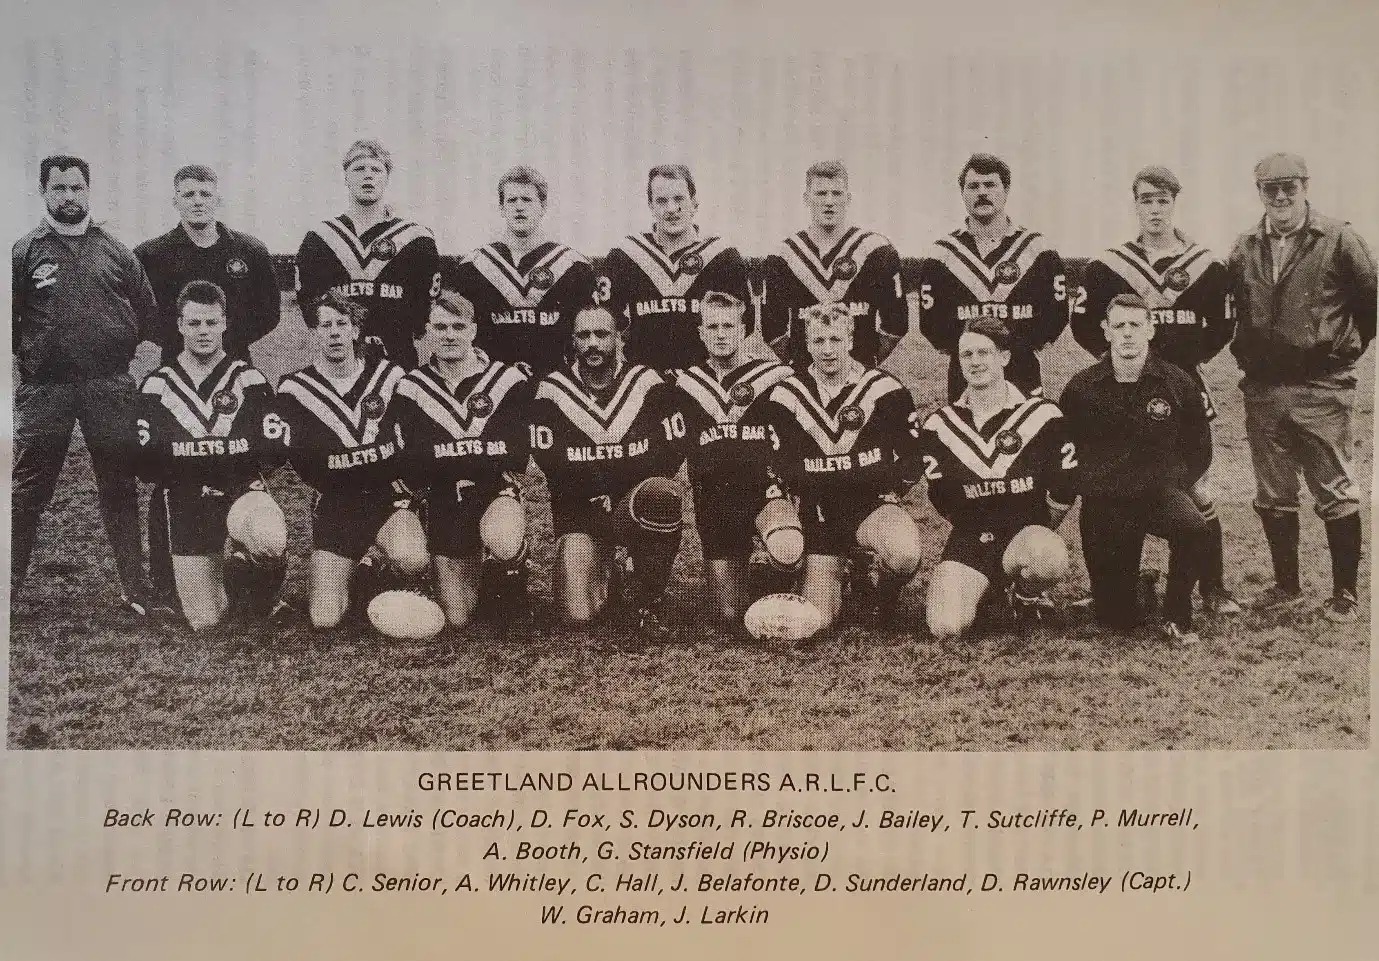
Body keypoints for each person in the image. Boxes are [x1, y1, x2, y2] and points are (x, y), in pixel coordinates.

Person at [1071, 165, 1239, 615]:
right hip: (1123, 389)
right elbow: (1086, 325)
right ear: (1135, 205)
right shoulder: (1107, 266)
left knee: (1196, 489)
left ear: (1174, 204)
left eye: (1163, 200)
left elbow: (1222, 326)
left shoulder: (1207, 265)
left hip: (1182, 386)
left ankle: (1214, 588)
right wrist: (1122, 363)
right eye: (1146, 200)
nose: (1155, 209)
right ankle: (1113, 583)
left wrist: (1183, 363)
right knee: (1117, 485)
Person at [1228, 152, 1377, 623]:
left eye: (1289, 186)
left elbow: (1370, 300)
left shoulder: (1338, 237)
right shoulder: (1246, 244)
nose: (1281, 196)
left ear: (1305, 186)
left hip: (1321, 388)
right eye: (1270, 188)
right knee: (1273, 492)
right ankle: (1287, 585)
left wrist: (1344, 349)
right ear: (1259, 193)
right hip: (1265, 390)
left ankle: (1345, 593)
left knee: (1334, 489)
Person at [11, 154, 158, 614]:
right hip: (47, 390)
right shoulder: (26, 249)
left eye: (76, 188)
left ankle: (135, 588)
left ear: (89, 191)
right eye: (59, 188)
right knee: (29, 488)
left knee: (119, 484)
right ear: (44, 192)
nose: (69, 196)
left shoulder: (115, 249)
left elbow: (146, 311)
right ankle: (7, 587)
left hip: (108, 386)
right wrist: (33, 360)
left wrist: (116, 350)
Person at [135, 164, 282, 612]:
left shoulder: (248, 250)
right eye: (187, 193)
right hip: (177, 370)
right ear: (175, 199)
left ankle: (247, 555)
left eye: (204, 192)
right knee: (175, 466)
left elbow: (270, 311)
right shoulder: (153, 253)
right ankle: (168, 571)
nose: (197, 200)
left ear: (217, 198)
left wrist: (226, 342)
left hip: (234, 366)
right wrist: (185, 342)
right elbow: (142, 311)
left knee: (239, 457)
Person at [747, 302, 922, 632]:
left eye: (835, 340)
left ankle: (881, 594)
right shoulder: (787, 395)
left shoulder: (886, 389)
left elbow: (913, 458)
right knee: (818, 622)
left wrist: (890, 493)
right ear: (806, 344)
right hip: (819, 514)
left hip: (871, 507)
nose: (827, 350)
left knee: (904, 553)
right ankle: (817, 574)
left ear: (851, 340)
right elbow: (775, 464)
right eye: (818, 341)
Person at [133, 281, 287, 631]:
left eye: (211, 323)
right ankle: (231, 569)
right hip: (187, 498)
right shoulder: (157, 385)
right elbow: (145, 462)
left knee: (270, 535)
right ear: (179, 326)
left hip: (239, 490)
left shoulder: (248, 379)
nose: (203, 331)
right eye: (194, 323)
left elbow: (273, 450)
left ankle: (258, 585)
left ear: (225, 323)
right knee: (207, 621)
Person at [1060, 294, 1213, 644]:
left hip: (1156, 495)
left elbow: (1199, 448)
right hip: (1106, 503)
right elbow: (1067, 451)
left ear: (1150, 329)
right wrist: (1095, 486)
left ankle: (1178, 614)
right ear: (1106, 331)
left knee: (1192, 528)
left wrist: (1172, 484)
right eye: (1119, 326)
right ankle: (1137, 584)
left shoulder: (1177, 382)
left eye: (1135, 325)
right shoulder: (1082, 388)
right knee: (1117, 619)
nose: (1127, 334)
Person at [528, 303, 690, 627]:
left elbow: (673, 450)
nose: (592, 344)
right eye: (583, 336)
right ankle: (609, 568)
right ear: (573, 342)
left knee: (660, 495)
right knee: (578, 616)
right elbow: (554, 465)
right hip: (580, 512)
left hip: (634, 505)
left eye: (601, 334)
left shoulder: (646, 382)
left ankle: (647, 595)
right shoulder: (552, 391)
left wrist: (633, 491)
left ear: (619, 337)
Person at [274, 291, 428, 630]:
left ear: (356, 330)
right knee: (325, 618)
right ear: (314, 332)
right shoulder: (294, 390)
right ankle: (363, 570)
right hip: (337, 505)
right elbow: (288, 458)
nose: (334, 332)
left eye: (342, 324)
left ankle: (384, 562)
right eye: (325, 325)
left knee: (411, 556)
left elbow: (418, 436)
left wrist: (411, 484)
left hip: (387, 500)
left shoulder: (390, 377)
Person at [915, 318, 1077, 639]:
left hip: (1023, 536)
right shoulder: (939, 425)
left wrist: (1039, 530)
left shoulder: (1043, 415)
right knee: (945, 627)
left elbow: (1064, 490)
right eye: (967, 355)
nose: (975, 362)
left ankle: (1023, 595)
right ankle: (990, 592)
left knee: (1049, 555)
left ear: (1004, 357)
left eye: (983, 353)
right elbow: (942, 498)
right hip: (970, 539)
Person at [390, 292, 533, 629]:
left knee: (503, 537)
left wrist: (448, 455)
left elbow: (514, 452)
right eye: (440, 327)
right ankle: (475, 569)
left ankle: (510, 568)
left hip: (493, 494)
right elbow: (413, 460)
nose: (449, 335)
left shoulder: (507, 381)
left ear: (473, 330)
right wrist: (474, 451)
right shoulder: (411, 387)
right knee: (457, 618)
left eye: (458, 326)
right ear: (427, 331)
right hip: (443, 503)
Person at [669, 290, 796, 622]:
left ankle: (784, 570)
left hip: (764, 493)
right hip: (715, 502)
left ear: (744, 329)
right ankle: (750, 572)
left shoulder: (776, 379)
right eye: (713, 327)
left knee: (788, 548)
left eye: (729, 325)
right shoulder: (685, 385)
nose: (721, 334)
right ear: (700, 332)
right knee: (729, 614)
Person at [917, 153, 1069, 401]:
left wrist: (1021, 347)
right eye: (973, 186)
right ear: (962, 193)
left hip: (1022, 371)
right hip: (966, 373)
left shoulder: (1039, 250)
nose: (982, 193)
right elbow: (932, 325)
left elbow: (1056, 316)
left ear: (1006, 190)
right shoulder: (941, 254)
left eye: (990, 185)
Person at [296, 139, 440, 370]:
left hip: (398, 360)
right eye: (359, 169)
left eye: (376, 169)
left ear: (386, 178)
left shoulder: (418, 240)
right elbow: (312, 311)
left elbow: (423, 313)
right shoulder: (319, 240)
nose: (368, 176)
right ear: (346, 177)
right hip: (338, 365)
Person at [597, 164, 751, 373]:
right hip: (644, 380)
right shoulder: (625, 256)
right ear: (650, 205)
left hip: (707, 381)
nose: (671, 209)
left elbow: (744, 324)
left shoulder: (722, 257)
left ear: (695, 203)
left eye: (679, 199)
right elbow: (604, 321)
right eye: (661, 201)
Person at [450, 166, 595, 377]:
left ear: (543, 206)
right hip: (490, 385)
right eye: (511, 200)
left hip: (556, 383)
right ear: (501, 207)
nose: (519, 207)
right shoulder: (473, 267)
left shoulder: (574, 266)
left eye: (527, 200)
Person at [760, 160, 907, 368]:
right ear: (806, 199)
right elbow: (773, 330)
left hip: (860, 375)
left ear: (848, 199)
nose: (829, 201)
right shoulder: (783, 256)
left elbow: (896, 325)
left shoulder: (877, 251)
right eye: (821, 194)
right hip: (805, 378)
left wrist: (867, 362)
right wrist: (800, 364)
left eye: (836, 193)